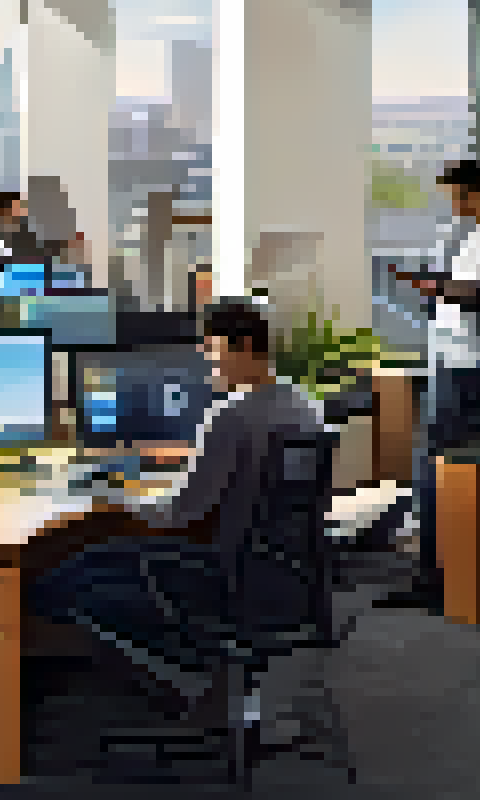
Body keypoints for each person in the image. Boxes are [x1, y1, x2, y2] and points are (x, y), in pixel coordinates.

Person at [26, 299, 325, 716]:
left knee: (61, 579)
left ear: (239, 348)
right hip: (279, 580)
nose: (207, 363)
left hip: (222, 580)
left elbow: (176, 515)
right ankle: (205, 684)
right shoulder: (305, 406)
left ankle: (182, 687)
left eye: (213, 351)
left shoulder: (231, 416)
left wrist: (112, 500)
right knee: (96, 558)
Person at [384, 160, 480, 611]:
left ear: (470, 192)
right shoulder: (472, 233)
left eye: (453, 196)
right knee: (443, 468)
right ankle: (445, 570)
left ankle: (437, 576)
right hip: (455, 361)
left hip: (469, 366)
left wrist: (435, 287)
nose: (451, 205)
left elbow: (479, 292)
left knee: (439, 468)